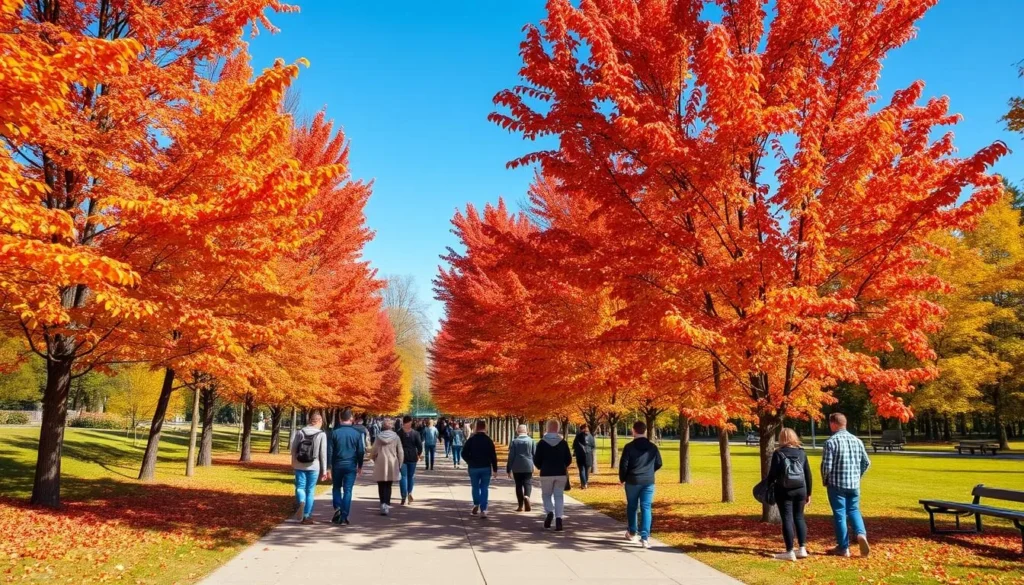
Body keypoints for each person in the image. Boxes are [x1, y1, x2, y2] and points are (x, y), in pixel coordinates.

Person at [821, 413, 871, 558]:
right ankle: (861, 534)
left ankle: (843, 547)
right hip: (853, 484)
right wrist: (857, 475)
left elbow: (826, 466)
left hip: (836, 485)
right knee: (854, 510)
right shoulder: (857, 441)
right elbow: (866, 462)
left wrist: (825, 480)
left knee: (840, 514)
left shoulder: (831, 442)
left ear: (834, 424)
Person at [766, 428, 813, 561]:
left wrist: (768, 486)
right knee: (799, 517)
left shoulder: (778, 453)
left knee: (787, 518)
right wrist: (808, 492)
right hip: (800, 489)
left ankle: (790, 551)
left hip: (784, 490)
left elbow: (772, 474)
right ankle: (802, 548)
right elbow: (808, 474)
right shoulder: (801, 453)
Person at [619, 420, 662, 548]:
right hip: (648, 481)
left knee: (632, 506)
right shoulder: (653, 447)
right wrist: (649, 471)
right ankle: (645, 537)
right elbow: (659, 463)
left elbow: (624, 465)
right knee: (646, 507)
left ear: (633, 431)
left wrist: (622, 478)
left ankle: (632, 532)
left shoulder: (629, 447)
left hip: (632, 481)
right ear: (645, 431)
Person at [325, 409, 365, 525]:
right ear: (351, 419)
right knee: (348, 490)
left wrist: (328, 467)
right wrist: (360, 465)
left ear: (340, 419)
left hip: (337, 465)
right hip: (351, 466)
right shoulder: (357, 434)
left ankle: (337, 506)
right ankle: (344, 515)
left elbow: (330, 451)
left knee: (336, 487)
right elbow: (361, 451)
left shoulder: (334, 433)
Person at [290, 412, 328, 525]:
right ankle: (306, 515)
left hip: (299, 464)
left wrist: (293, 462)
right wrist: (324, 470)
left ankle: (301, 501)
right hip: (314, 465)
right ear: (319, 421)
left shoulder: (300, 432)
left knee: (300, 487)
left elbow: (293, 448)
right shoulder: (321, 434)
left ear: (310, 420)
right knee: (310, 491)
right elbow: (323, 453)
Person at [534, 420, 572, 531]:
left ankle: (549, 511)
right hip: (560, 473)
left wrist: (542, 466)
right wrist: (563, 465)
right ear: (558, 428)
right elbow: (568, 459)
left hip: (546, 473)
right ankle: (559, 519)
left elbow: (537, 460)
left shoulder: (541, 443)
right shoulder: (563, 443)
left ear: (547, 428)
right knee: (559, 496)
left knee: (546, 495)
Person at [462, 419, 498, 518]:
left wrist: (469, 461)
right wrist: (495, 469)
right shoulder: (488, 440)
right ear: (485, 427)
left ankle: (476, 503)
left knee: (475, 487)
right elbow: (493, 456)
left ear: (476, 427)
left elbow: (463, 453)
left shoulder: (471, 440)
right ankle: (483, 509)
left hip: (473, 467)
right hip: (486, 467)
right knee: (484, 488)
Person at [369, 419, 404, 516]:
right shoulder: (396, 437)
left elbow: (374, 450)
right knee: (389, 485)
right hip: (392, 462)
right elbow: (400, 451)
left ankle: (382, 503)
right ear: (391, 427)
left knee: (381, 484)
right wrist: (400, 463)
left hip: (380, 462)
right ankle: (387, 504)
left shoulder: (378, 437)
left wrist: (372, 457)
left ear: (383, 426)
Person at [507, 424, 536, 512]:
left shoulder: (514, 442)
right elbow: (535, 454)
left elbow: (511, 456)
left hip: (517, 466)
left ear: (517, 431)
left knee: (518, 485)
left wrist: (508, 469)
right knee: (528, 483)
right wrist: (535, 465)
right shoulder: (532, 441)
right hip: (528, 464)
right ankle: (527, 496)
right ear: (527, 431)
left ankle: (520, 506)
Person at [397, 415, 423, 505]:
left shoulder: (399, 433)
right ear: (409, 422)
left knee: (403, 476)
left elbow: (396, 446)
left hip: (402, 457)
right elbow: (419, 446)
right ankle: (409, 493)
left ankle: (403, 496)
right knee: (410, 476)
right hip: (412, 456)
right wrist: (419, 454)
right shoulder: (415, 433)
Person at [572, 424, 596, 489]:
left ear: (582, 429)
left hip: (580, 456)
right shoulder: (591, 436)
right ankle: (585, 483)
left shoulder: (578, 436)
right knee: (587, 470)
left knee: (582, 470)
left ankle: (584, 483)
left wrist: (575, 452)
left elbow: (574, 446)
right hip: (588, 456)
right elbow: (593, 446)